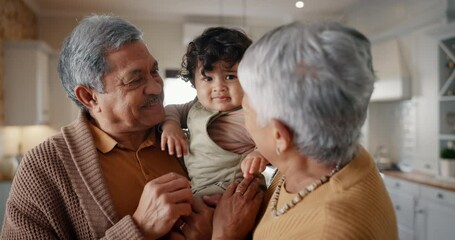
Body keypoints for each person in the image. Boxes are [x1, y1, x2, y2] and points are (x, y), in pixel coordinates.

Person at [1, 15, 263, 240]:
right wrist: (139, 229)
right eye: (135, 80)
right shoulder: (45, 167)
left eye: (154, 71)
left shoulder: (183, 135)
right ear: (90, 97)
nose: (156, 87)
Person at [212, 21, 399, 239]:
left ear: (279, 136)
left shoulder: (327, 232)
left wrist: (223, 234)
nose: (244, 122)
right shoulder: (324, 152)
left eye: (245, 110)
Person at [160, 27, 268, 197]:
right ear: (194, 82)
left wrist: (260, 153)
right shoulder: (196, 106)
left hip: (235, 192)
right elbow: (171, 109)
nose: (219, 87)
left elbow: (275, 141)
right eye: (208, 78)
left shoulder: (251, 115)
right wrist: (171, 125)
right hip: (198, 190)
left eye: (230, 77)